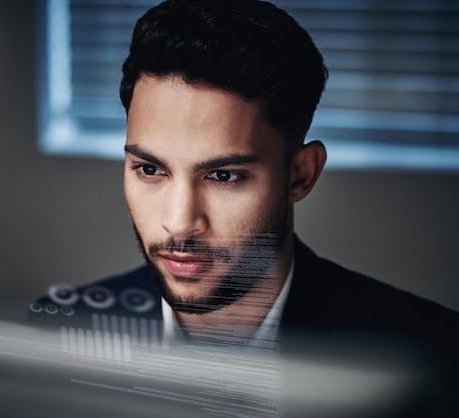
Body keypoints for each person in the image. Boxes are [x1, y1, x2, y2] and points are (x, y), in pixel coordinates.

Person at [30, 0, 458, 413]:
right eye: (150, 170)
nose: (179, 223)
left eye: (223, 176)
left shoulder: (432, 359)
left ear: (300, 175)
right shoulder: (53, 336)